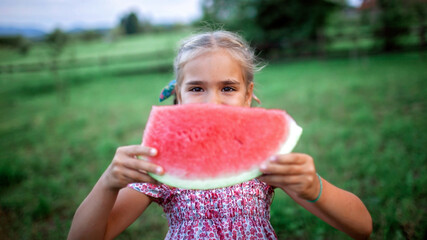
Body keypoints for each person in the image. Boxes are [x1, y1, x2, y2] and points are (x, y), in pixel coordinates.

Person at [68, 30, 372, 240]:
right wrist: (108, 183)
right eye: (197, 88)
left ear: (248, 94)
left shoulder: (267, 161)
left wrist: (314, 187)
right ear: (178, 96)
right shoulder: (159, 166)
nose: (212, 102)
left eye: (227, 88)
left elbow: (362, 228)